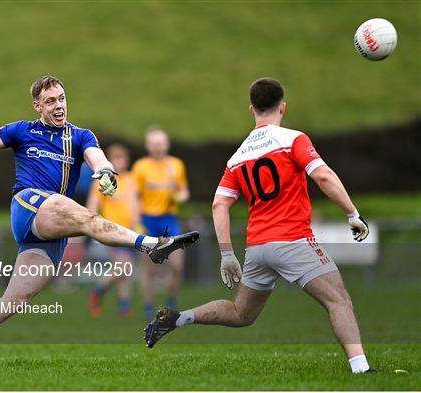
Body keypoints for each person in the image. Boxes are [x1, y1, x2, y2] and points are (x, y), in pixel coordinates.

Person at [0, 76, 199, 368]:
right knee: (85, 216)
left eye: (62, 99)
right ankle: (152, 245)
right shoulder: (22, 131)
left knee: (14, 301)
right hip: (28, 206)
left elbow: (97, 157)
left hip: (50, 229)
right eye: (50, 101)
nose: (59, 105)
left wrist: (106, 171)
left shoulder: (80, 136)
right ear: (37, 106)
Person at [143, 77, 376, 374]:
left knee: (242, 313)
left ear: (251, 109)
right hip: (293, 240)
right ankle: (361, 370)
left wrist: (227, 254)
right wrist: (352, 213)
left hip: (257, 247)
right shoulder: (293, 139)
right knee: (339, 300)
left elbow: (219, 204)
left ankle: (178, 318)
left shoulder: (237, 157)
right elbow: (324, 176)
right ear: (283, 107)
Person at [132, 127, 190, 319]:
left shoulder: (176, 165)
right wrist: (136, 221)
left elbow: (183, 191)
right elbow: (135, 197)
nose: (158, 147)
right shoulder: (140, 167)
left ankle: (171, 302)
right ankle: (148, 306)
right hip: (148, 220)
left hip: (169, 220)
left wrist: (180, 197)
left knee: (176, 266)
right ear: (148, 146)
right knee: (148, 268)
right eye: (154, 143)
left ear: (167, 144)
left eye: (161, 143)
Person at [87, 143, 141, 318]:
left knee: (124, 270)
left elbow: (136, 205)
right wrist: (95, 227)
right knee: (124, 267)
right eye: (116, 158)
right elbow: (92, 207)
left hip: (131, 230)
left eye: (122, 158)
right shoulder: (103, 181)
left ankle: (124, 307)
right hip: (112, 230)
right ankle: (98, 292)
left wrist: (138, 222)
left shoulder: (131, 179)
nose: (119, 161)